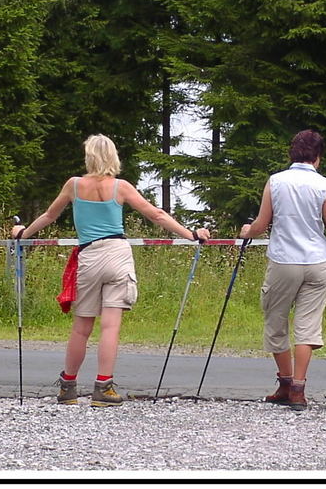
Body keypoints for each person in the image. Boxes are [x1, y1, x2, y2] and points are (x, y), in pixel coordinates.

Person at [11, 134, 210, 407]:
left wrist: (22, 234)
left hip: (89, 256)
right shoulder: (121, 187)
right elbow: (156, 215)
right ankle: (103, 388)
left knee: (81, 327)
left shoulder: (74, 185)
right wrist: (190, 234)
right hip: (117, 254)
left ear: (89, 156)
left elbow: (49, 215)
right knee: (110, 326)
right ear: (113, 157)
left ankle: (68, 386)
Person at [239, 130, 326, 411]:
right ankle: (299, 389)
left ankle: (285, 383)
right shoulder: (324, 185)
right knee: (308, 327)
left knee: (276, 322)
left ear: (292, 153)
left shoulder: (276, 181)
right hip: (316, 261)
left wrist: (247, 231)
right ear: (318, 157)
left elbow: (262, 225)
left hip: (284, 261)